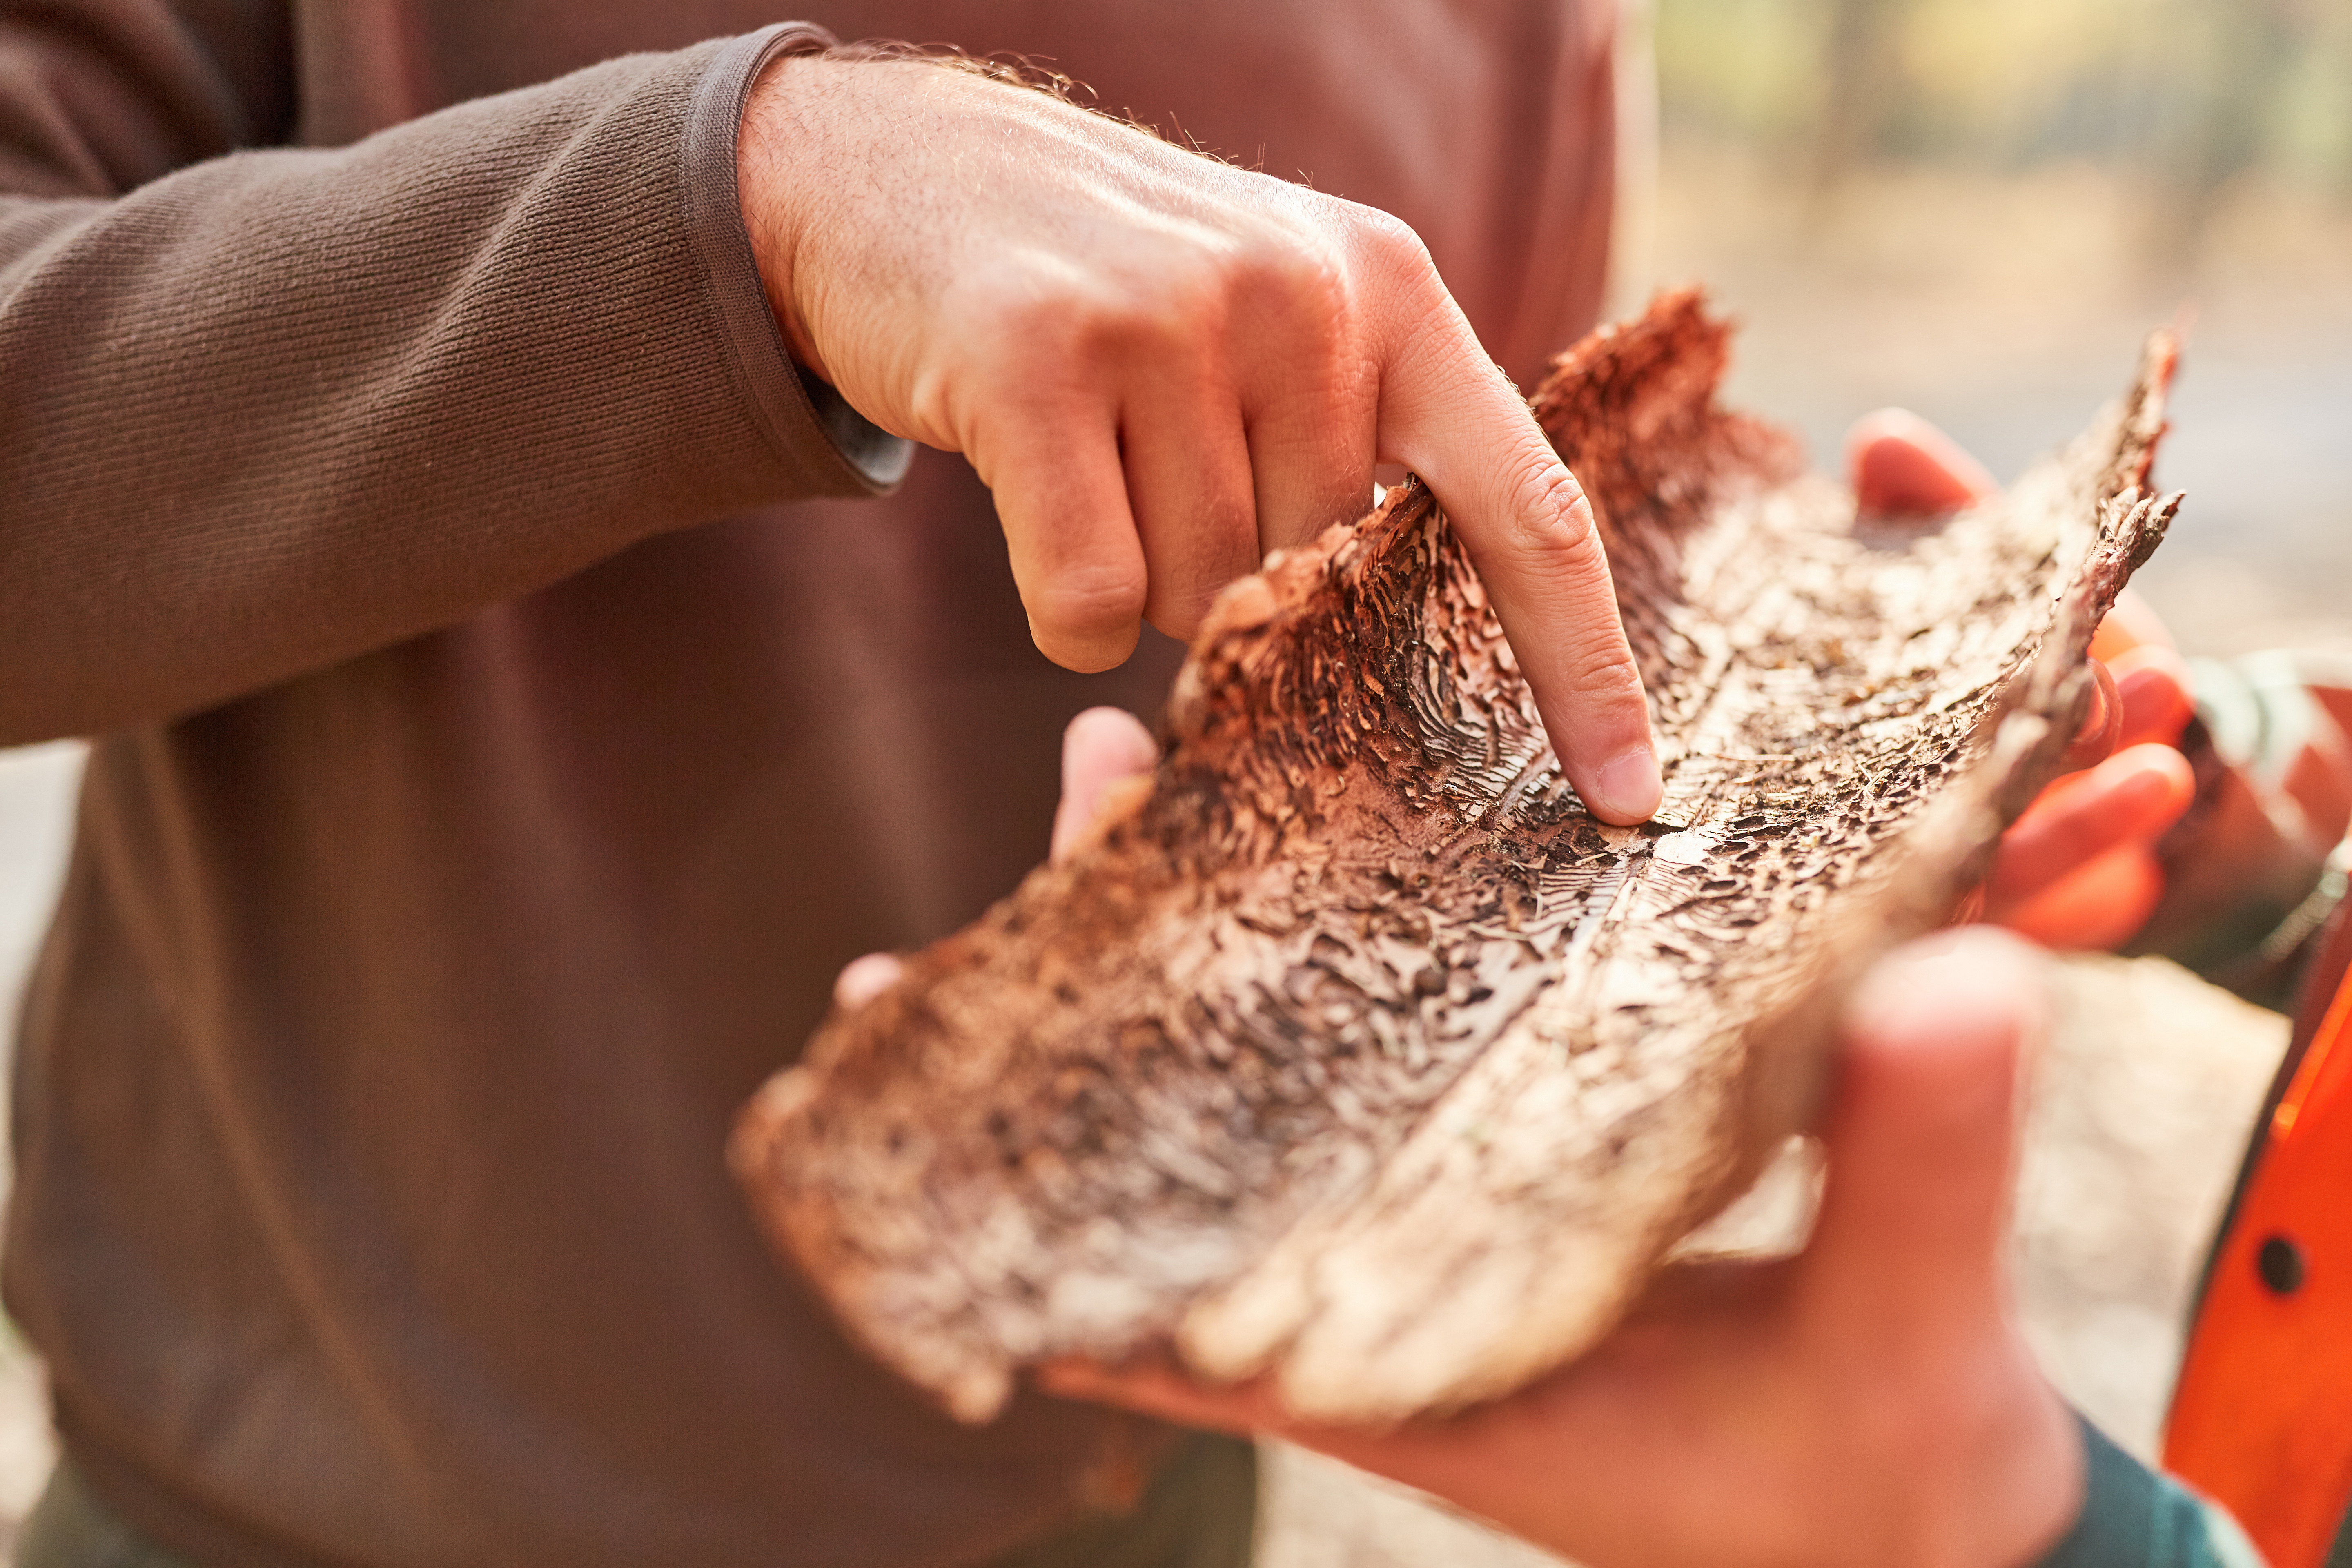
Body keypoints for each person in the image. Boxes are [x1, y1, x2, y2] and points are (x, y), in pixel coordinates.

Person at [0, 4, 2247, 1566]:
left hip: (1139, 1487)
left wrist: (1811, 864)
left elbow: (1514, 678)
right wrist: (752, 200)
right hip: (279, 1512)